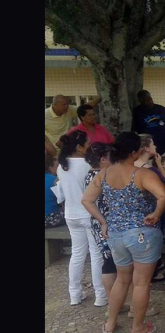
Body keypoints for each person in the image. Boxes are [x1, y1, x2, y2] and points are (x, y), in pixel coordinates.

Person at [82, 132, 165, 333]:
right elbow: (163, 195)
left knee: (122, 279)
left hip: (116, 234)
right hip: (142, 234)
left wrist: (103, 221)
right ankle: (138, 327)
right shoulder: (142, 174)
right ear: (134, 151)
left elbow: (86, 200)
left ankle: (110, 324)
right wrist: (156, 214)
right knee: (141, 283)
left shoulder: (104, 173)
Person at [57, 130, 107, 307]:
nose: (89, 147)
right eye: (87, 144)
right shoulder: (86, 164)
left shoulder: (61, 165)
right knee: (96, 255)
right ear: (79, 147)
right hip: (89, 214)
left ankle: (75, 294)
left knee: (77, 254)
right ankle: (101, 296)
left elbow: (61, 192)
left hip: (71, 215)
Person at [84, 143, 118, 299]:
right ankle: (118, 303)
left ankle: (113, 303)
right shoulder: (105, 175)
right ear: (103, 159)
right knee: (114, 264)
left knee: (108, 261)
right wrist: (104, 222)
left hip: (98, 222)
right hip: (108, 223)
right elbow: (86, 201)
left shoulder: (89, 175)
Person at [135, 134, 165, 283]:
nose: (156, 147)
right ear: (146, 148)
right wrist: (161, 166)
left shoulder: (130, 166)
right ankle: (154, 270)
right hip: (154, 211)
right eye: (153, 144)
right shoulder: (150, 170)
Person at [132, 90, 165, 157]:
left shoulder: (161, 109)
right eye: (146, 101)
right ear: (141, 101)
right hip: (147, 149)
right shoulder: (137, 112)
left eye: (150, 99)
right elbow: (134, 129)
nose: (149, 102)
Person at [45, 155, 65, 228]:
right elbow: (62, 200)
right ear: (50, 168)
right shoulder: (54, 180)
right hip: (49, 218)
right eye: (57, 166)